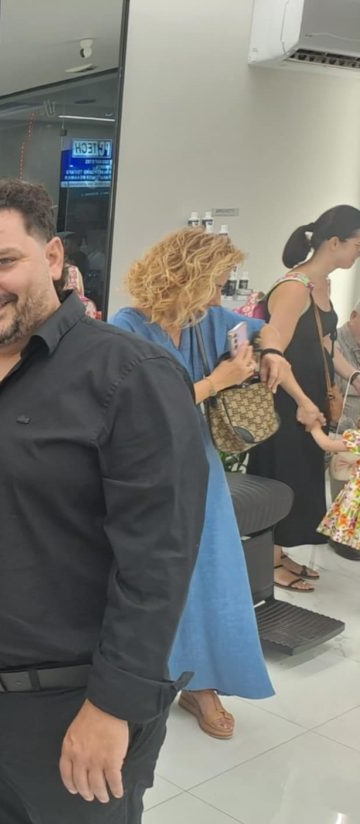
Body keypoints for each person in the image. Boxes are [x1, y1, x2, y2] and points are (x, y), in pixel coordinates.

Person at [0, 179, 207, 824]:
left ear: (52, 258)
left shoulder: (129, 375)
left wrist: (112, 708)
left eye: (2, 262)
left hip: (76, 700)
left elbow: (158, 562)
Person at [111, 229, 291, 739]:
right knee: (153, 575)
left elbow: (267, 326)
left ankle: (201, 683)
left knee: (214, 572)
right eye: (214, 283)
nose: (218, 296)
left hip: (201, 465)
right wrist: (217, 382)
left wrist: (273, 352)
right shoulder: (126, 327)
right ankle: (144, 675)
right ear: (185, 278)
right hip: (145, 469)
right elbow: (138, 408)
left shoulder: (208, 321)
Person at [248, 205, 360, 590]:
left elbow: (327, 344)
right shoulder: (295, 287)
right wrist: (302, 401)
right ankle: (268, 561)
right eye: (357, 245)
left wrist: (353, 376)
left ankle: (279, 552)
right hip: (286, 399)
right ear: (335, 242)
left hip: (309, 397)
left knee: (300, 477)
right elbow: (273, 350)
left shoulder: (322, 285)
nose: (358, 254)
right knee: (281, 476)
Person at [329, 300, 360, 558]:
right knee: (347, 492)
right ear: (353, 316)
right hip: (344, 428)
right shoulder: (334, 344)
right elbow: (334, 398)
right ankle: (344, 539)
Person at [310, 423, 360, 552]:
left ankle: (346, 546)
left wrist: (314, 426)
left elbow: (327, 445)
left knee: (350, 519)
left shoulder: (357, 438)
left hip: (356, 495)